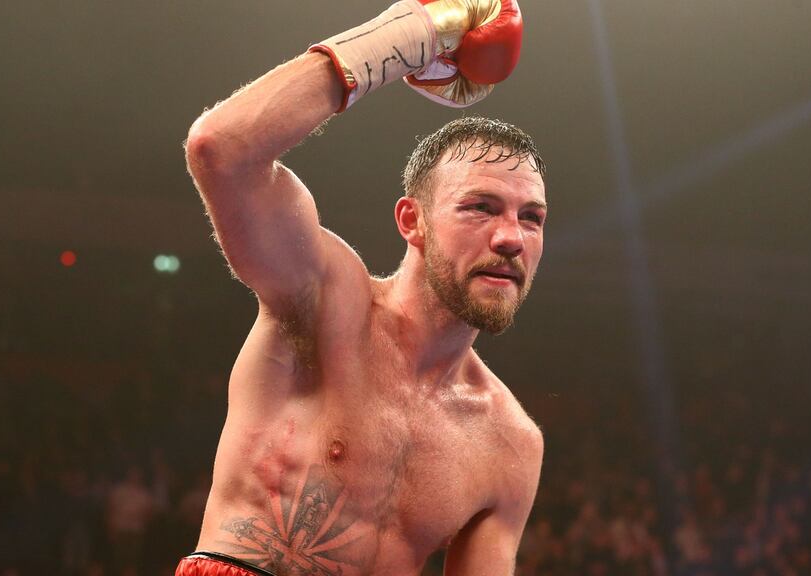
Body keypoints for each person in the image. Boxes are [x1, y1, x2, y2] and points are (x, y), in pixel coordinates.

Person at [180, 0, 545, 573]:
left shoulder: (511, 442)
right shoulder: (326, 300)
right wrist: (411, 35)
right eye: (481, 207)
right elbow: (221, 149)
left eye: (532, 218)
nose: (511, 238)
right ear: (412, 221)